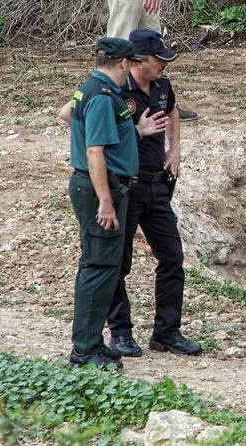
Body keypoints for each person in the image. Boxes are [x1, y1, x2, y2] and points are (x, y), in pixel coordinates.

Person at [64, 38, 166, 369]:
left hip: (105, 186)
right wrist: (105, 201)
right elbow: (95, 151)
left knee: (103, 266)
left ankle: (92, 343)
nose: (131, 68)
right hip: (101, 189)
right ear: (123, 63)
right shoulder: (102, 97)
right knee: (98, 268)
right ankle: (85, 350)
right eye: (131, 63)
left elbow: (77, 121)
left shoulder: (92, 88)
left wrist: (135, 131)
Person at [104, 29, 202, 358]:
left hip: (157, 185)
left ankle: (166, 332)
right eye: (158, 59)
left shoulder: (162, 85)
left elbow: (172, 111)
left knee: (172, 258)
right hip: (127, 187)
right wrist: (136, 130)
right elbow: (84, 124)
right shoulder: (115, 90)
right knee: (119, 263)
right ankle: (120, 333)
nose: (164, 64)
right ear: (137, 61)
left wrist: (175, 149)